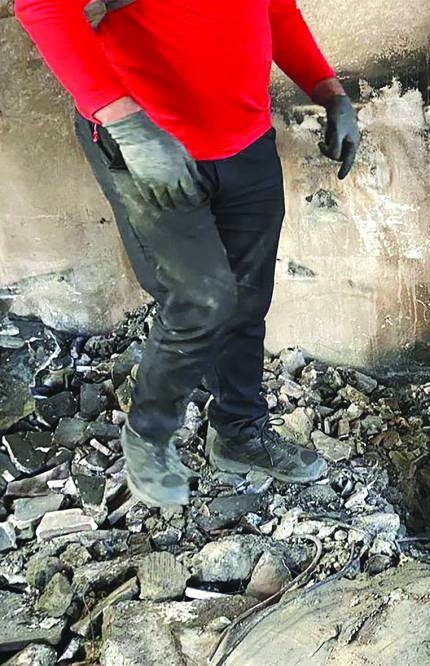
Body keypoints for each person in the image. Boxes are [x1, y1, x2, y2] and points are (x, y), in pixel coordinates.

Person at [15, 0, 361, 507]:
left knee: (246, 298)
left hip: (244, 142)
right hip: (149, 145)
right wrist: (125, 123)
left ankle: (239, 433)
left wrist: (329, 92)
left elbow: (276, 10)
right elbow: (43, 8)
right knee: (200, 297)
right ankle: (149, 433)